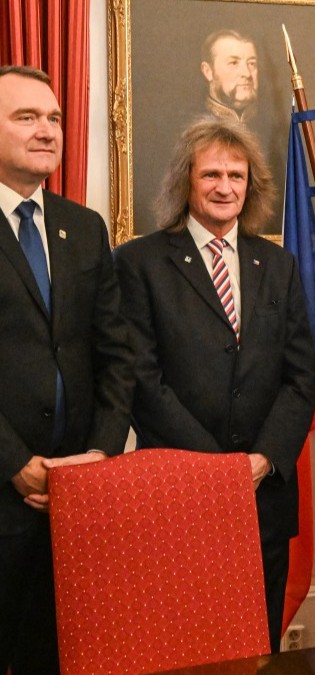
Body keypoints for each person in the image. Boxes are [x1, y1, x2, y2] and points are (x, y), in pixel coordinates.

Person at [112, 118, 315, 652]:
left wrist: (263, 459)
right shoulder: (139, 262)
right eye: (211, 175)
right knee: (188, 641)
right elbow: (140, 376)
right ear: (186, 181)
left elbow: (301, 376)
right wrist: (215, 471)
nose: (225, 187)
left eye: (237, 175)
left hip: (265, 490)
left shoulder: (279, 264)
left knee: (261, 641)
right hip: (181, 488)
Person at [0, 65, 134, 675]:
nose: (46, 130)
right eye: (26, 117)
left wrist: (100, 455)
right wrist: (16, 465)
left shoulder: (83, 226)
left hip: (79, 497)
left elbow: (114, 353)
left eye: (53, 117)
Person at [201, 29, 259, 122]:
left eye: (251, 64)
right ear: (208, 71)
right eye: (233, 63)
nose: (247, 74)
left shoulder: (273, 124)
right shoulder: (195, 131)